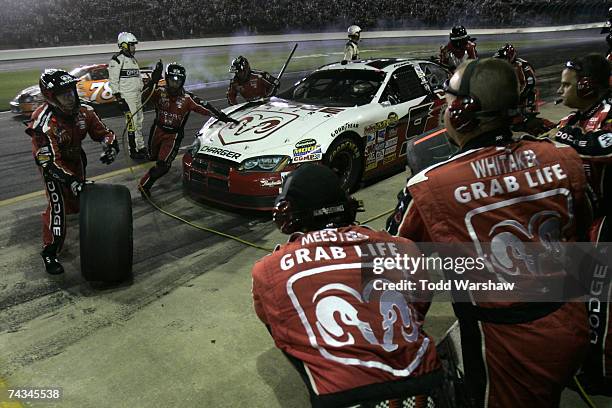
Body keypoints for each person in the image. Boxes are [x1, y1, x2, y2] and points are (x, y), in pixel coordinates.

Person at [388, 58, 591, 407]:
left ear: (463, 111)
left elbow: (393, 266)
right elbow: (583, 233)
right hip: (571, 322)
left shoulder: (429, 185)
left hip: (504, 343)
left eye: (448, 98)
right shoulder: (565, 157)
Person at [252, 164, 442, 408]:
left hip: (347, 396)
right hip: (426, 383)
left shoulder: (268, 269)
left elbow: (277, 325)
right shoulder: (403, 246)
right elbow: (420, 305)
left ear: (288, 213)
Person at [551, 53, 612, 396]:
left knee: (599, 305)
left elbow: (601, 146)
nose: (561, 90)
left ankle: (600, 372)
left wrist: (562, 138)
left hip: (607, 220)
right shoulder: (575, 119)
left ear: (587, 85)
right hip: (586, 221)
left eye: (566, 83)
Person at [26, 69, 119, 275]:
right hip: (52, 166)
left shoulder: (84, 110)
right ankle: (49, 251)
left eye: (71, 91)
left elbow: (104, 133)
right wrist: (71, 180)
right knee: (58, 207)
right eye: (63, 94)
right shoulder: (42, 122)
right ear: (51, 97)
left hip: (76, 160)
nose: (70, 98)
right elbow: (47, 161)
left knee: (80, 202)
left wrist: (110, 146)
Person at [139, 62, 236, 197]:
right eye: (172, 81)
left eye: (178, 82)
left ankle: (144, 185)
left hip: (173, 136)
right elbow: (142, 98)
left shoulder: (188, 98)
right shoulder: (159, 92)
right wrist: (152, 82)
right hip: (157, 130)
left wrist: (222, 117)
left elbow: (206, 107)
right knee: (152, 157)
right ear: (166, 79)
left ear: (183, 82)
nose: (174, 85)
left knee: (163, 166)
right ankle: (155, 167)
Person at [109, 31, 148, 160]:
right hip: (127, 97)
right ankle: (133, 150)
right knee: (132, 124)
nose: (134, 48)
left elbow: (138, 79)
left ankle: (140, 146)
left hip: (137, 96)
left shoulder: (132, 60)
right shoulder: (117, 60)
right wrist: (119, 99)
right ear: (124, 45)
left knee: (139, 122)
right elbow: (113, 81)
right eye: (132, 45)